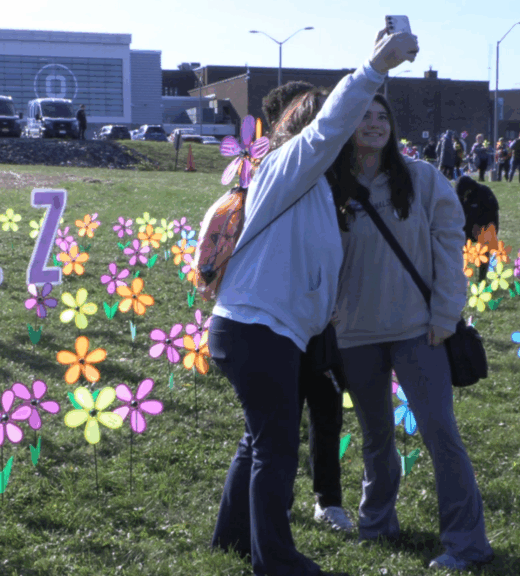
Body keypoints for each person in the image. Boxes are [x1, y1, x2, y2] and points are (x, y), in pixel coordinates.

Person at [209, 28, 418, 576]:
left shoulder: (315, 189)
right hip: (257, 329)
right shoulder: (290, 167)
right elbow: (329, 126)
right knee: (275, 448)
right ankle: (274, 561)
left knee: (258, 440)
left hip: (263, 329)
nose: (350, 138)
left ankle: (229, 540)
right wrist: (376, 66)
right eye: (341, 131)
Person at [326, 93, 494, 572]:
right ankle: (377, 522)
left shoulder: (422, 178)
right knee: (375, 434)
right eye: (364, 116)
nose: (375, 124)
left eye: (383, 117)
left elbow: (448, 246)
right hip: (355, 331)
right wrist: (330, 314)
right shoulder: (332, 183)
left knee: (440, 432)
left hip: (420, 331)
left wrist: (446, 313)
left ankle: (467, 543)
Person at [261, 78, 355, 535]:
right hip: (281, 314)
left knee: (325, 403)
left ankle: (327, 499)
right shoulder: (277, 172)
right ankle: (274, 505)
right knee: (276, 421)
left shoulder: (335, 171)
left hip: (321, 312)